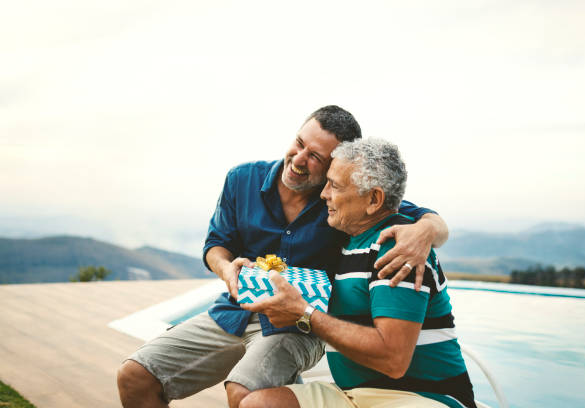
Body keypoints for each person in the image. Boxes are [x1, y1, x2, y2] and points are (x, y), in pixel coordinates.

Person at [116, 106, 450, 408]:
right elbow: (216, 244)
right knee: (134, 376)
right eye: (299, 142)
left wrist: (425, 232)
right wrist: (226, 269)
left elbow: (403, 211)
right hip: (235, 309)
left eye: (316, 157)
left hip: (300, 324)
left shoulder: (343, 199)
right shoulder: (241, 179)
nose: (299, 158)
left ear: (337, 165)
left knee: (245, 391)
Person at [239, 138, 475, 408]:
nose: (323, 194)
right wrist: (256, 270)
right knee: (256, 404)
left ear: (374, 200)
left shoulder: (396, 248)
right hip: (355, 395)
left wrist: (306, 315)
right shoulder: (345, 241)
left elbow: (393, 359)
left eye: (335, 186)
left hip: (423, 398)